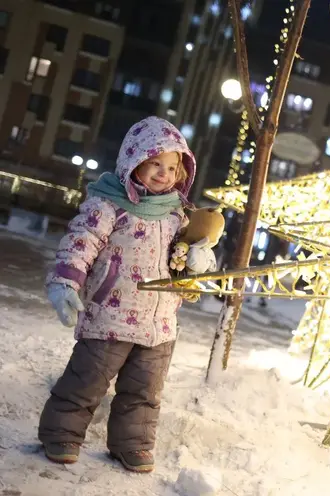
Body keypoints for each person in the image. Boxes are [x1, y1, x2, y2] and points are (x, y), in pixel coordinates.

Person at [38, 116, 212, 473]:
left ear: (181, 172)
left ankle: (131, 443)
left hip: (159, 324)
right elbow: (79, 244)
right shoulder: (109, 205)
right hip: (110, 316)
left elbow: (184, 257)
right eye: (154, 164)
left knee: (144, 391)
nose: (163, 173)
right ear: (134, 162)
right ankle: (61, 433)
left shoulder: (178, 214)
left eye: (171, 167)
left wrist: (198, 259)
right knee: (87, 380)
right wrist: (65, 283)